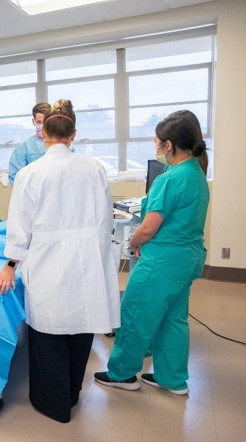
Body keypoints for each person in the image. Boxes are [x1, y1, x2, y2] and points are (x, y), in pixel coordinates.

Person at [0, 99, 120, 423]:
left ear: (44, 134)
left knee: (49, 334)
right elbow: (106, 219)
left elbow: (19, 227)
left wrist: (10, 265)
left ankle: (53, 404)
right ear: (73, 134)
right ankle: (72, 393)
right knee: (81, 328)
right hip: (89, 262)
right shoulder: (95, 168)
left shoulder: (30, 173)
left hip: (48, 263)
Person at [94, 110, 210, 396]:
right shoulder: (196, 172)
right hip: (188, 258)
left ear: (168, 145)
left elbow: (148, 227)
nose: (155, 147)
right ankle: (172, 379)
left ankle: (122, 374)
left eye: (157, 142)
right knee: (173, 318)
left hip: (163, 260)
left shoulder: (171, 179)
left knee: (135, 312)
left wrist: (133, 242)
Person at [8, 102, 52, 185]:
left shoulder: (63, 146)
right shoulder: (24, 148)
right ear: (33, 121)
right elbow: (16, 179)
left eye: (46, 122)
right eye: (39, 122)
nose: (43, 126)